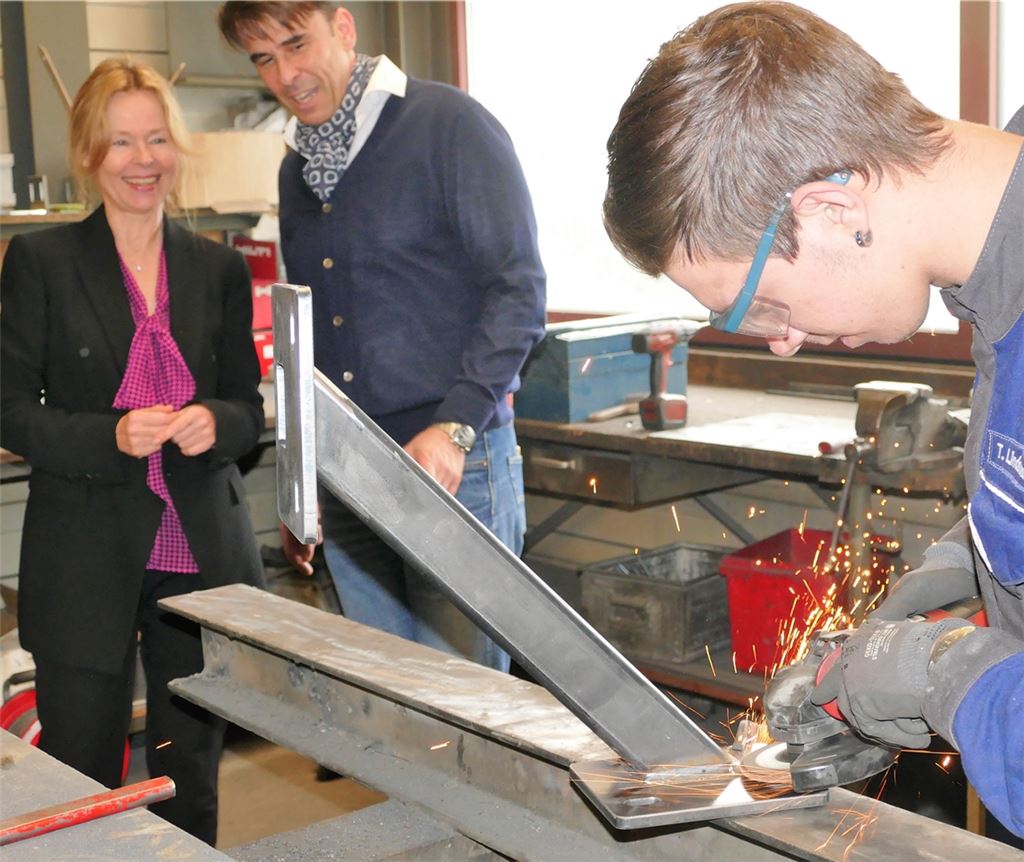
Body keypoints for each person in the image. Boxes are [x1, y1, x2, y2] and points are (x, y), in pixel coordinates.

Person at [603, 1, 1022, 839]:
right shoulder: (999, 279)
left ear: (830, 211)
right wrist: (966, 565)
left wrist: (943, 676)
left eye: (759, 306)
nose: (785, 344)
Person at [217, 2, 546, 673]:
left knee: (473, 703)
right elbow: (308, 333)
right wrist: (300, 480)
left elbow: (519, 290)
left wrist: (454, 426)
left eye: (296, 44)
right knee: (392, 695)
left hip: (456, 464)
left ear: (344, 28)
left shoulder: (448, 127)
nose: (285, 73)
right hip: (349, 474)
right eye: (264, 59)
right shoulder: (298, 168)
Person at [0, 58, 265, 844]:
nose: (142, 159)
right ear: (89, 154)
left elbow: (247, 409)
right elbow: (9, 410)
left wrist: (217, 419)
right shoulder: (42, 265)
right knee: (79, 778)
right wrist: (107, 435)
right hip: (83, 559)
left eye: (156, 140)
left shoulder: (217, 267)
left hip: (198, 561)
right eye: (121, 143)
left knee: (190, 777)